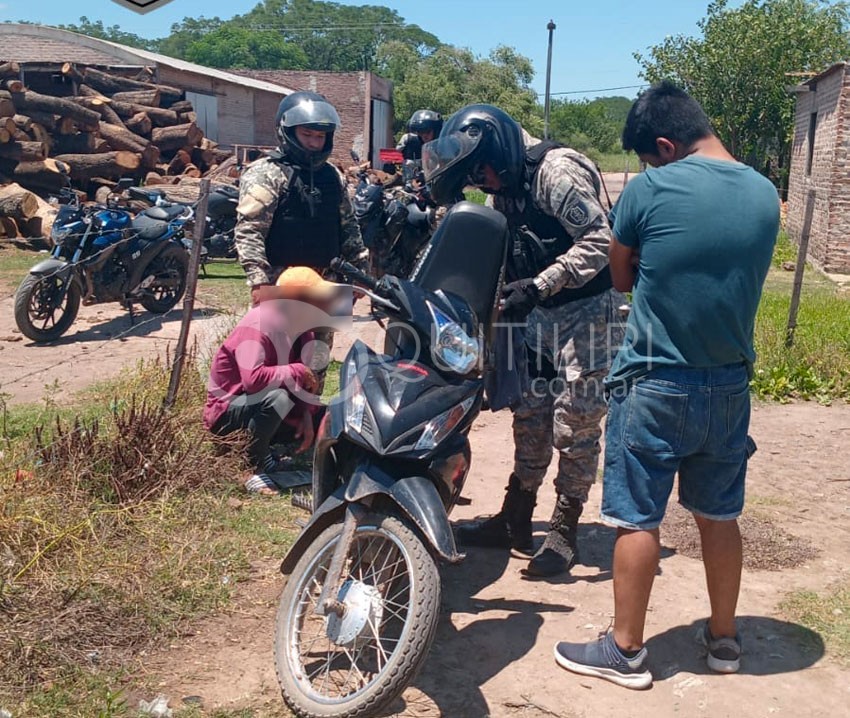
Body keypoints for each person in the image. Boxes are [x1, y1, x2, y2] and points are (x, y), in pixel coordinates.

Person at [553, 82, 779, 688]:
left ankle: (625, 651)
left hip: (654, 380)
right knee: (719, 515)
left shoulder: (649, 190)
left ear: (663, 144)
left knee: (637, 518)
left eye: (651, 157)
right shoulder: (765, 194)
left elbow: (621, 279)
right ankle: (725, 640)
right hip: (729, 384)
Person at [424, 105, 626, 577]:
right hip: (540, 318)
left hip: (588, 315)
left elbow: (601, 241)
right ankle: (516, 515)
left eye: (484, 174)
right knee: (530, 415)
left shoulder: (555, 173)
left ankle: (564, 529)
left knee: (575, 422)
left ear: (502, 153)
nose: (485, 184)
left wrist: (540, 284)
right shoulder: (507, 187)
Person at [204, 267, 347, 494]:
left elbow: (301, 387)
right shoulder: (258, 324)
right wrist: (296, 370)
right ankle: (251, 467)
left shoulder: (303, 329)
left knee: (327, 414)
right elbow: (253, 380)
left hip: (259, 406)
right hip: (229, 412)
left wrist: (307, 415)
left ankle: (267, 451)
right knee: (277, 399)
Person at [234, 90, 368, 307]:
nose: (314, 143)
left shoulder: (333, 175)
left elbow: (349, 226)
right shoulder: (266, 173)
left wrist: (360, 271)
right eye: (307, 135)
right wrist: (258, 281)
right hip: (280, 284)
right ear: (287, 131)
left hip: (326, 283)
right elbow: (250, 229)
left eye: (320, 136)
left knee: (320, 343)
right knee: (278, 342)